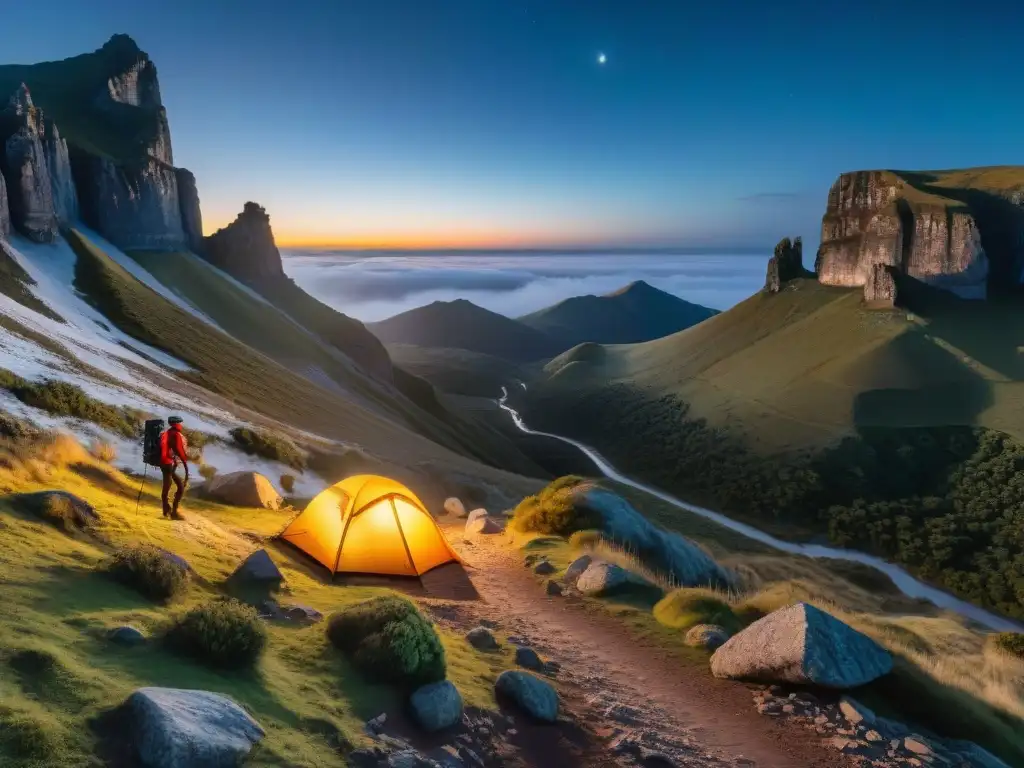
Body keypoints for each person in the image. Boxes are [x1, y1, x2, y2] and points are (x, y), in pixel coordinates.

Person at [159, 416, 190, 520]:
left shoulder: (166, 433)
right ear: (177, 424)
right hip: (169, 463)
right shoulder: (175, 434)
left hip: (163, 463)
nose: (181, 425)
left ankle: (166, 509)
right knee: (180, 487)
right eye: (180, 423)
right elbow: (179, 451)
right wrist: (186, 467)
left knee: (167, 485)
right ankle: (174, 512)